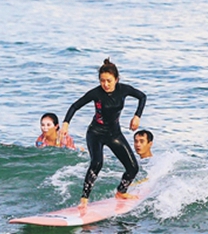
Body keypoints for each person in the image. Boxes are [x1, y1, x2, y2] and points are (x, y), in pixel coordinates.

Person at [60, 58, 146, 207]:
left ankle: (121, 191)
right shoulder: (96, 93)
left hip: (114, 133)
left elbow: (142, 97)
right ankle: (84, 199)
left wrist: (137, 116)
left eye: (109, 81)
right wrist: (65, 124)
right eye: (102, 81)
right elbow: (75, 106)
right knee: (97, 163)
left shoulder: (124, 90)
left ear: (116, 79)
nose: (105, 84)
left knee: (133, 168)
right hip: (96, 133)